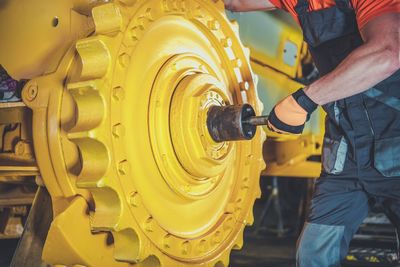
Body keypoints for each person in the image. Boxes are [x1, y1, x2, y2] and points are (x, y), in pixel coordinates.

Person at [224, 0, 400, 266]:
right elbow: (234, 3)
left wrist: (305, 100)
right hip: (346, 153)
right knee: (314, 254)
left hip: (396, 143)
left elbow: (388, 53)